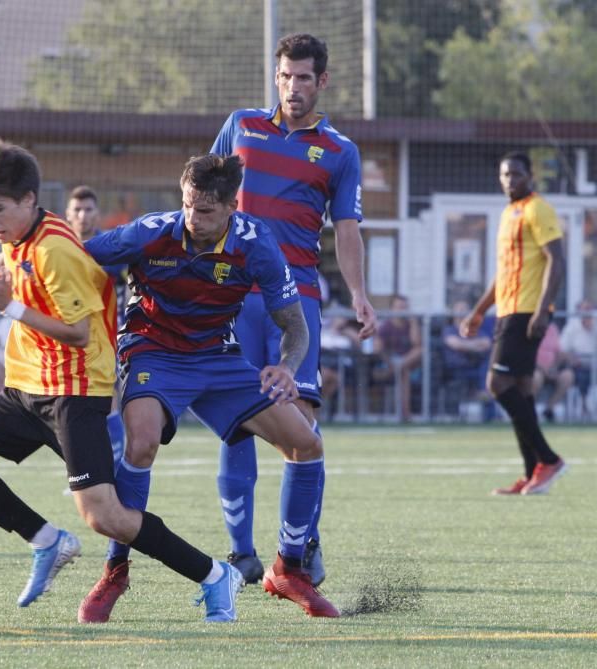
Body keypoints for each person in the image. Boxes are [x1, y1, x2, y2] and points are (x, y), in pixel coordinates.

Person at [0, 138, 243, 623]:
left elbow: (77, 334)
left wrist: (7, 306)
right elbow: (13, 265)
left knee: (105, 517)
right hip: (25, 389)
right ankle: (47, 541)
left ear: (29, 200)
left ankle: (214, 575)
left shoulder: (57, 249)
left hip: (73, 394)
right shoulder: (16, 239)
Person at [76, 153, 339, 623]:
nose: (192, 218)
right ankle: (115, 569)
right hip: (152, 350)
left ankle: (288, 569)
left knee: (306, 441)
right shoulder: (150, 231)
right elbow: (76, 259)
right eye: (188, 206)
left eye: (205, 211)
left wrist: (285, 366)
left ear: (231, 208)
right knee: (141, 444)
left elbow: (296, 327)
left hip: (217, 358)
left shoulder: (257, 243)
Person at [209, 32, 377, 586]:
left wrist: (358, 293)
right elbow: (203, 198)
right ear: (275, 76)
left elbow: (347, 230)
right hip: (233, 296)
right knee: (238, 425)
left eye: (303, 77)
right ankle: (240, 554)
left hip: (296, 302)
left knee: (301, 428)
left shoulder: (339, 151)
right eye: (285, 76)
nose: (293, 86)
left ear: (321, 81)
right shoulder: (241, 126)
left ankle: (300, 545)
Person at [460, 151, 568, 496]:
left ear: (530, 176)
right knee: (521, 390)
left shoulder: (538, 209)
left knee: (497, 384)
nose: (510, 181)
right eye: (505, 175)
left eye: (517, 175)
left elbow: (557, 261)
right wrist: (479, 310)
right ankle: (531, 472)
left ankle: (548, 459)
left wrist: (542, 309)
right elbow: (504, 273)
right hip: (506, 310)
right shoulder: (509, 213)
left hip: (526, 312)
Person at [66, 185, 126, 465]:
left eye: (88, 209)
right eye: (77, 209)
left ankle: (111, 469)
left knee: (107, 398)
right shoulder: (60, 247)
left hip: (104, 337)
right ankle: (87, 470)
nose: (82, 215)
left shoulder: (110, 249)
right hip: (67, 336)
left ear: (97, 214)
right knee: (72, 402)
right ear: (68, 214)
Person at [558, 300, 597, 416]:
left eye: (589, 309)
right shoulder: (571, 327)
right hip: (579, 366)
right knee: (581, 376)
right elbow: (562, 350)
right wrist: (572, 359)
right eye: (584, 309)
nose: (587, 313)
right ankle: (584, 408)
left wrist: (595, 330)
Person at [441, 300, 495, 421]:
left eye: (464, 309)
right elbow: (455, 344)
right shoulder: (449, 330)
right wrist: (474, 346)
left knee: (488, 367)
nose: (462, 312)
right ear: (453, 313)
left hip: (476, 367)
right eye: (459, 309)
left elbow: (486, 343)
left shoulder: (474, 329)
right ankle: (484, 395)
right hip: (456, 369)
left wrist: (466, 346)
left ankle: (490, 415)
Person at [374, 295, 423, 422]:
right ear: (392, 308)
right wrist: (391, 363)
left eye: (405, 307)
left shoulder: (410, 324)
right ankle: (406, 414)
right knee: (403, 371)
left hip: (410, 366)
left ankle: (399, 367)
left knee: (418, 352)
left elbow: (417, 344)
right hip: (387, 366)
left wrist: (413, 323)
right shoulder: (385, 326)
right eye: (399, 307)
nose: (402, 310)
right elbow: (378, 349)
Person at [531, 322, 573, 423]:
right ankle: (529, 410)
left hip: (552, 369)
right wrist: (542, 368)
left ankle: (549, 409)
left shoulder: (553, 328)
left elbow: (559, 352)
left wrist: (554, 367)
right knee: (536, 378)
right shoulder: (529, 327)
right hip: (535, 368)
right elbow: (527, 354)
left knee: (568, 376)